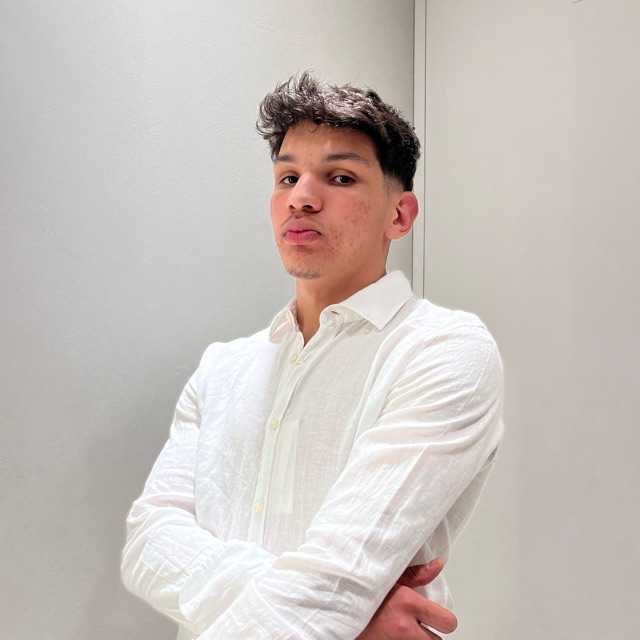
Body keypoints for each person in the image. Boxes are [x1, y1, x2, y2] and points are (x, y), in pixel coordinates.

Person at [120, 72, 505, 640]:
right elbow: (148, 544)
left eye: (340, 177)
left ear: (399, 216)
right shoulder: (223, 368)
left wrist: (335, 600)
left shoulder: (442, 350)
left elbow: (337, 576)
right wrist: (349, 613)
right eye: (287, 177)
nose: (301, 197)